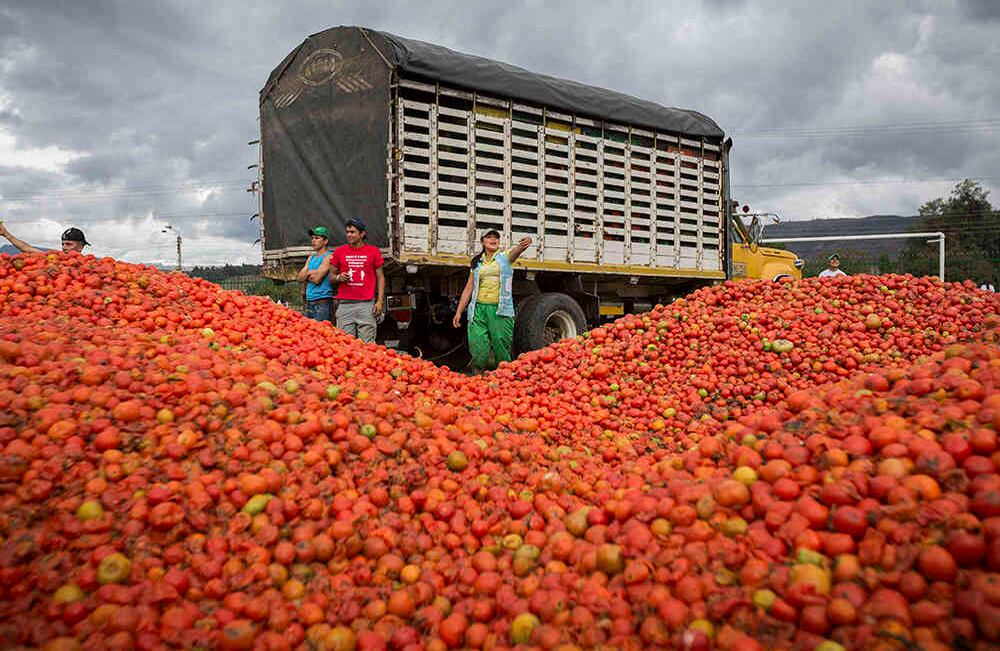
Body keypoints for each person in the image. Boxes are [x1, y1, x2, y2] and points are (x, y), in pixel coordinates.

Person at [452, 230, 533, 372]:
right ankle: (477, 375)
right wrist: (459, 311)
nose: (493, 239)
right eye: (489, 237)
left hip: (500, 310)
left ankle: (505, 376)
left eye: (496, 237)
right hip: (478, 310)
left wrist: (523, 245)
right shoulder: (477, 263)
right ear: (482, 241)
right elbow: (468, 289)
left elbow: (516, 251)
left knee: (501, 344)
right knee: (478, 344)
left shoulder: (504, 257)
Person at [328, 218, 384, 343]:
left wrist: (380, 301)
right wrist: (338, 277)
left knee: (368, 345)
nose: (349, 235)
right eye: (347, 232)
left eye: (352, 232)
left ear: (362, 234)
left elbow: (380, 277)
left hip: (366, 305)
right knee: (345, 345)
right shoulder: (339, 252)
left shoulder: (373, 251)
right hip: (344, 305)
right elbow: (331, 276)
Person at [296, 226, 335, 322]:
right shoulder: (311, 258)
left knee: (322, 333)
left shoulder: (329, 256)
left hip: (322, 302)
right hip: (310, 301)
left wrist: (307, 274)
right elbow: (300, 278)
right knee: (309, 333)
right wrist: (311, 274)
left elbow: (317, 279)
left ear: (325, 241)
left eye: (317, 238)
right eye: (312, 238)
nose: (313, 241)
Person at [0, 222, 90, 253]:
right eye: (63, 244)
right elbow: (27, 249)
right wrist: (6, 234)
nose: (64, 247)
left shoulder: (89, 264)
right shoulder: (55, 258)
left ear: (80, 247)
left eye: (69, 244)